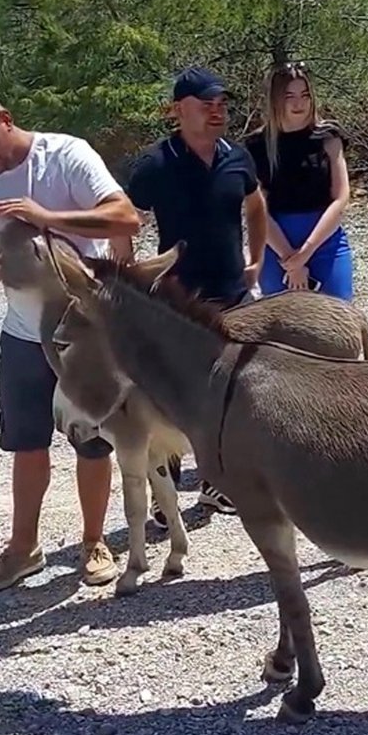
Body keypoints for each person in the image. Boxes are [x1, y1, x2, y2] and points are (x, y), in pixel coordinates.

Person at [0, 89, 140, 594]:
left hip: (83, 331)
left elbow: (125, 217)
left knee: (91, 442)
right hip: (23, 333)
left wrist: (48, 218)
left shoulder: (65, 155)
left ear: (6, 121)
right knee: (26, 444)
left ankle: (94, 542)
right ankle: (23, 548)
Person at [123, 65, 268, 517]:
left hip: (233, 292)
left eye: (221, 103)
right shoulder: (155, 164)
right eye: (206, 103)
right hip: (179, 300)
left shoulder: (237, 156)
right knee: (176, 393)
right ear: (177, 110)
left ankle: (216, 482)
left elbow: (256, 203)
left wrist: (257, 259)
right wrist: (131, 274)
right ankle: (167, 498)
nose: (216, 111)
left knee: (231, 390)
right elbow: (126, 220)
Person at [244, 62, 353, 299]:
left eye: (305, 95)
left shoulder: (328, 137)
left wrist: (305, 253)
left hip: (324, 239)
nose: (298, 103)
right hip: (275, 245)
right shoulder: (256, 145)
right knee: (281, 326)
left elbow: (341, 198)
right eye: (289, 96)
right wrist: (289, 259)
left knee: (337, 321)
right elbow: (257, 207)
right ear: (276, 99)